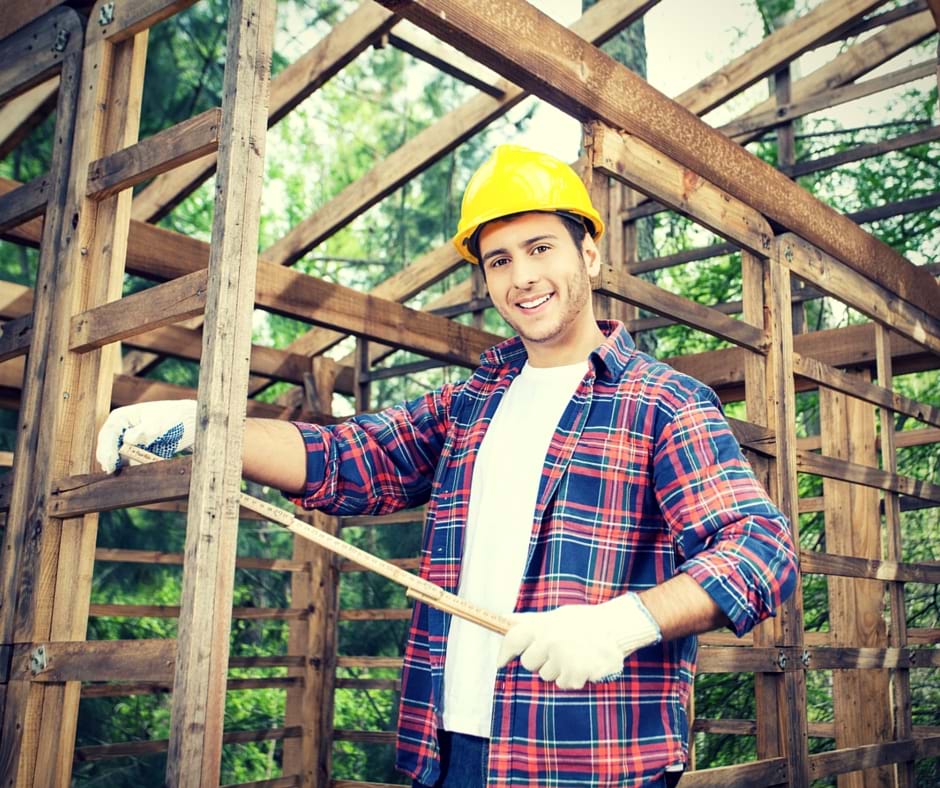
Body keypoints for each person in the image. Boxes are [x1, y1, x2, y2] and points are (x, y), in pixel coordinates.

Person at [96, 145, 798, 788]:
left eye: (539, 248)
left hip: (590, 759)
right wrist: (206, 426)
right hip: (449, 751)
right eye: (499, 261)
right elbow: (349, 456)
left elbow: (761, 550)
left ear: (588, 255)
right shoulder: (472, 403)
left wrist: (622, 623)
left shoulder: (664, 402)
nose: (521, 277)